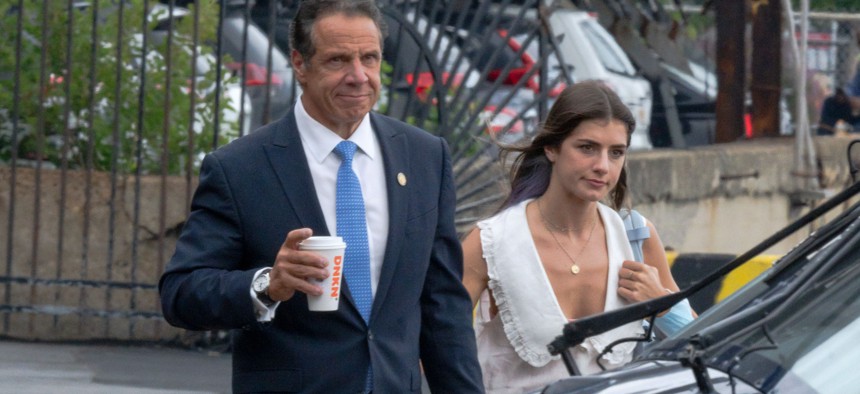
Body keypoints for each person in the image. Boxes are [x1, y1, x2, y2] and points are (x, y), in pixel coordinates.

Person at [158, 0, 484, 392]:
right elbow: (181, 294)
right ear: (299, 64)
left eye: (370, 58)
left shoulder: (425, 157)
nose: (359, 76)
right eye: (337, 61)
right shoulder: (241, 169)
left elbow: (443, 305)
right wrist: (267, 285)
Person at [461, 81, 689, 393]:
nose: (602, 166)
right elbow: (437, 347)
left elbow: (700, 342)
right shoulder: (490, 242)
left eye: (616, 152)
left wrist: (661, 304)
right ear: (552, 147)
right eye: (587, 148)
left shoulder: (636, 235)